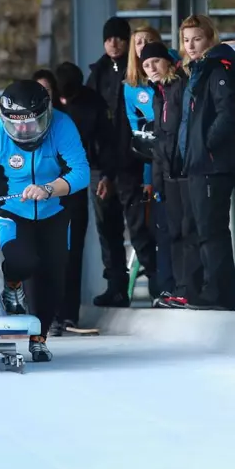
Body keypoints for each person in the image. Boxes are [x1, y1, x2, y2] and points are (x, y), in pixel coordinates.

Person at [0, 79, 90, 362]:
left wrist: (49, 188)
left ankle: (39, 339)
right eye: (16, 125)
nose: (24, 131)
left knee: (53, 276)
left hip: (54, 208)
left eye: (31, 123)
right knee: (23, 260)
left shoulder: (62, 126)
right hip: (12, 210)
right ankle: (12, 282)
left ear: (46, 115)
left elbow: (81, 172)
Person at [35, 65, 115, 334]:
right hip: (40, 195)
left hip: (70, 191)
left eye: (48, 90)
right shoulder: (25, 123)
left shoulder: (67, 120)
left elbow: (87, 155)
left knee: (70, 251)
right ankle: (44, 312)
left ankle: (67, 313)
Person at [177, 15, 235, 310]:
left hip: (211, 166)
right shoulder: (196, 71)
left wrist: (205, 145)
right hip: (198, 165)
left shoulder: (216, 70)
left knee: (212, 233)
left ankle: (219, 296)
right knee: (197, 231)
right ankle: (201, 292)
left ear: (209, 39)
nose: (191, 46)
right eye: (186, 40)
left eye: (197, 39)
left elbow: (227, 115)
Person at [86, 16, 153, 307]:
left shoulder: (137, 71)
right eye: (108, 38)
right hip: (101, 166)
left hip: (131, 164)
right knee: (107, 229)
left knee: (139, 227)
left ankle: (158, 285)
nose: (113, 43)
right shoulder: (96, 74)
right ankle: (115, 286)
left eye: (119, 38)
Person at [139, 41, 201, 309]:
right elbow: (159, 139)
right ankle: (179, 289)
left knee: (189, 232)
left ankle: (192, 289)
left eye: (155, 62)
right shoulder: (158, 93)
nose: (151, 68)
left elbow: (182, 131)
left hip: (185, 170)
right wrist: (157, 180)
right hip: (168, 173)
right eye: (146, 65)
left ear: (167, 61)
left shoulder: (180, 86)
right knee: (174, 232)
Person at [123, 25, 180, 303]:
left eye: (148, 41)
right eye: (138, 42)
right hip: (155, 163)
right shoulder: (131, 87)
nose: (143, 46)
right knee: (157, 228)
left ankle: (179, 286)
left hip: (178, 160)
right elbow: (140, 136)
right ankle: (163, 286)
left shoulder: (175, 79)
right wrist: (148, 177)